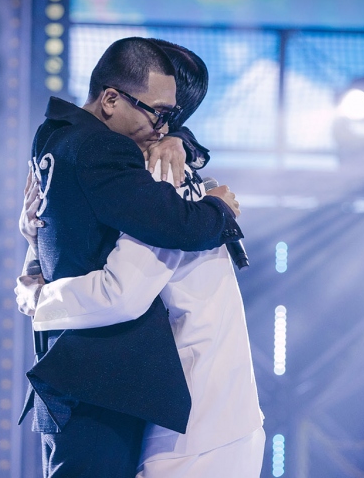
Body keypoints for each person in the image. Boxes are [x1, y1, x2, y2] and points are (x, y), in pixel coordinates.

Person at [17, 39, 264, 478]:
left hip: (197, 418)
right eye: (157, 112)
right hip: (186, 409)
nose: (159, 125)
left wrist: (39, 299)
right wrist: (35, 245)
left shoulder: (155, 172)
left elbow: (121, 293)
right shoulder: (138, 165)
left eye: (166, 115)